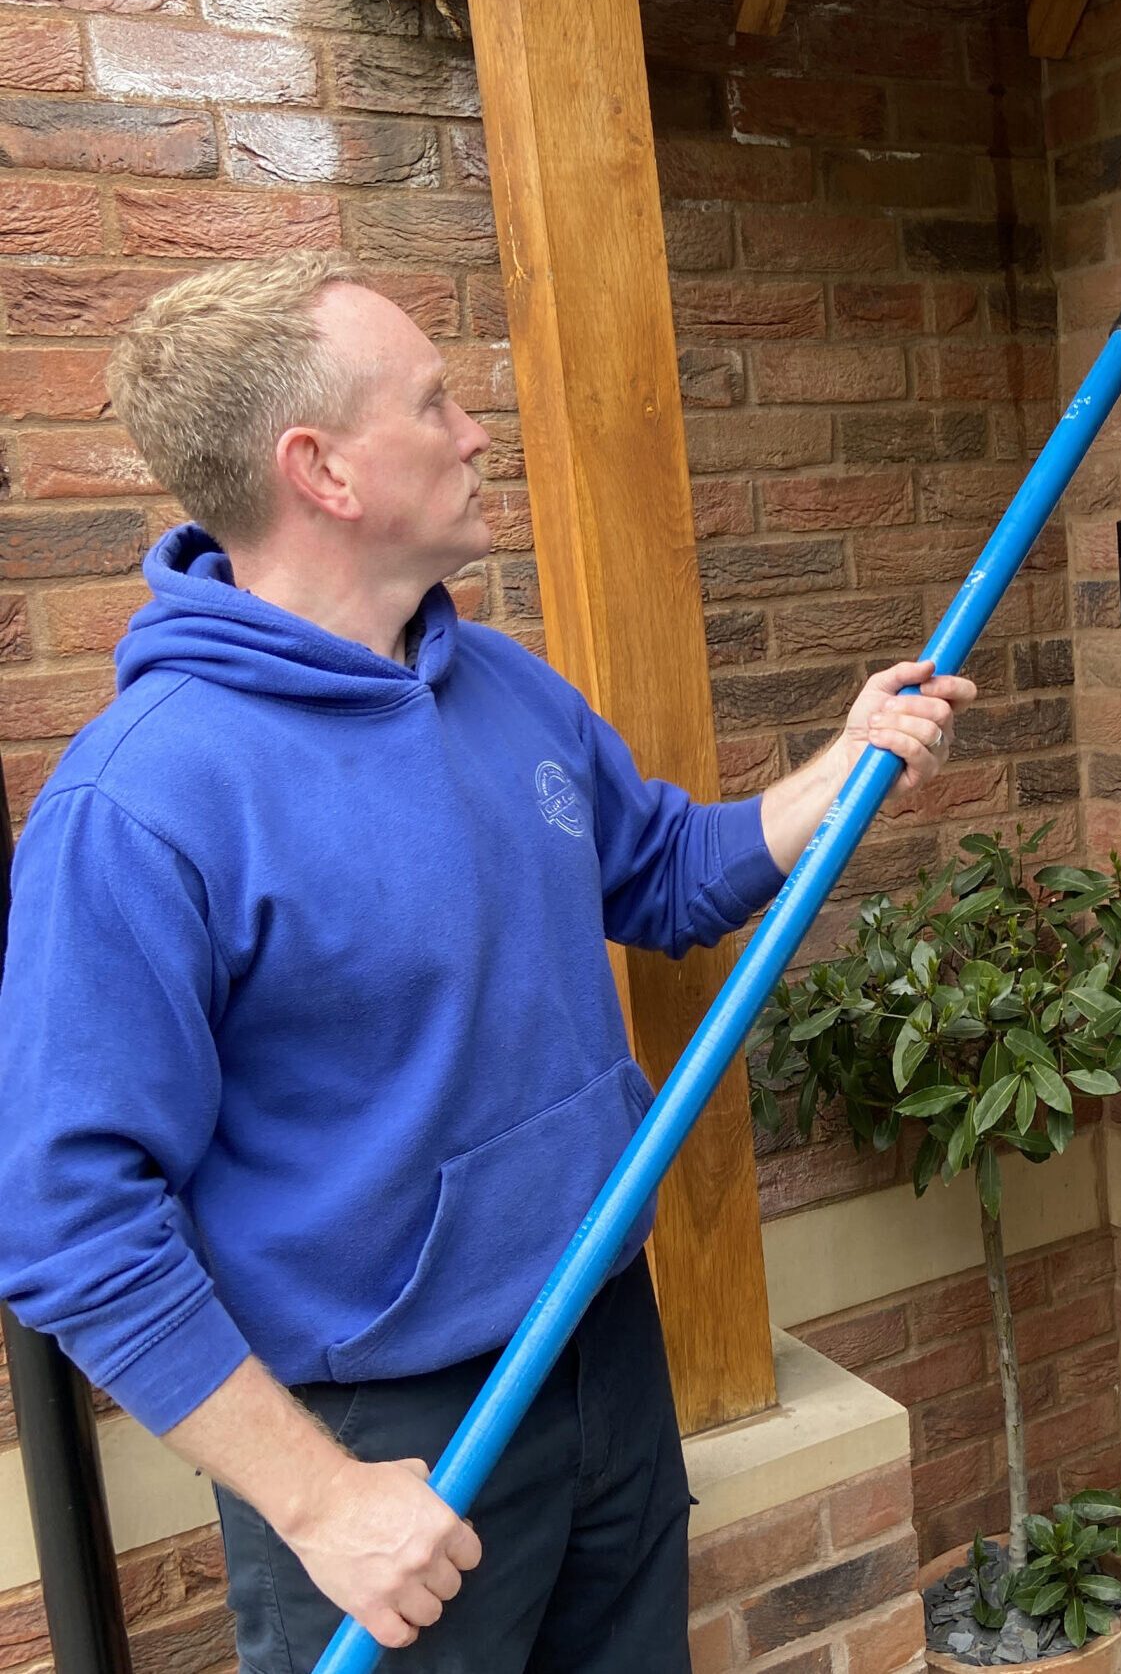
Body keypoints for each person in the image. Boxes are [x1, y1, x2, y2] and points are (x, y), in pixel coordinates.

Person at [0, 253, 977, 1672]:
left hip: (598, 1353)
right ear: (320, 469)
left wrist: (843, 764)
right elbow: (70, 1221)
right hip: (385, 1440)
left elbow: (661, 872)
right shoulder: (145, 802)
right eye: (435, 401)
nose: (474, 430)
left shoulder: (500, 684)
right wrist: (319, 1498)